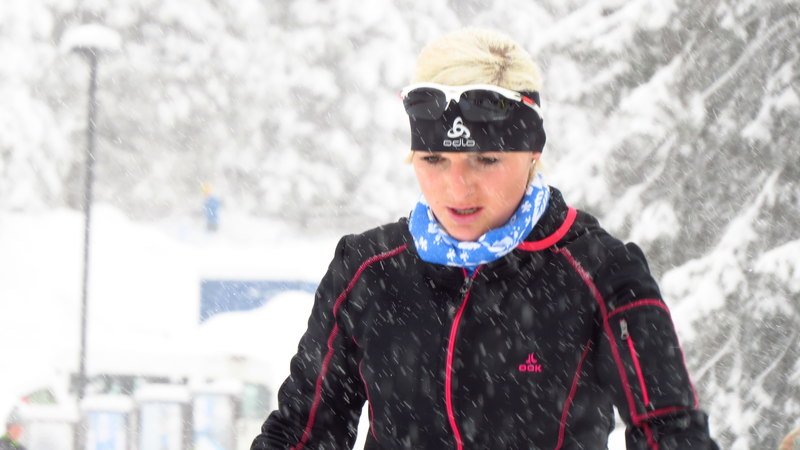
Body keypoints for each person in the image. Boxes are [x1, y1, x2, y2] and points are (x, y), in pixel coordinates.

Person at [251, 28, 719, 449]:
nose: (458, 189)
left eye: (487, 160)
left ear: (533, 152)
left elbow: (671, 433)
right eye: (434, 160)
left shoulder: (602, 273)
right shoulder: (367, 270)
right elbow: (300, 433)